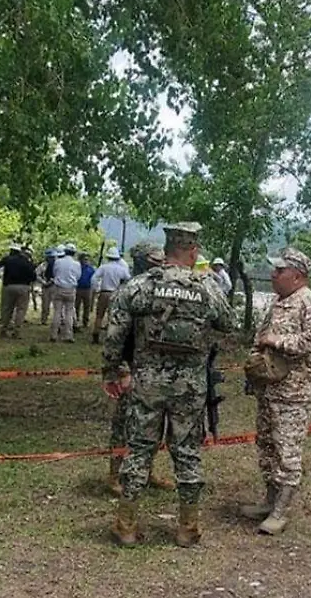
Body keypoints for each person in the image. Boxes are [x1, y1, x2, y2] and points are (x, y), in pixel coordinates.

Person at [102, 222, 238, 548]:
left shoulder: (140, 285)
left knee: (139, 451)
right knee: (188, 452)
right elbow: (229, 323)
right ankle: (187, 528)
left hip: (146, 382)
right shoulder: (207, 288)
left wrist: (115, 371)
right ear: (193, 251)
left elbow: (114, 335)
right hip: (189, 386)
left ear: (167, 250)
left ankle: (126, 526)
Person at [239, 247, 311, 535]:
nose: (273, 274)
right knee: (267, 446)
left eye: (280, 271)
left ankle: (281, 511)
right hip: (270, 388)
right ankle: (269, 500)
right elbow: (261, 338)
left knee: (286, 451)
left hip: (293, 393)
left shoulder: (309, 302)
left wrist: (278, 341)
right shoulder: (279, 301)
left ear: (298, 276)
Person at [103, 240, 175, 496]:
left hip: (156, 371)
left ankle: (148, 471)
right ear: (141, 262)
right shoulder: (127, 292)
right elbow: (115, 338)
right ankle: (114, 474)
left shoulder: (163, 292)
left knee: (153, 425)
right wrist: (119, 371)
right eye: (153, 261)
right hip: (131, 369)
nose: (159, 266)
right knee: (123, 424)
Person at [0, 244, 37, 339]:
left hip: (8, 287)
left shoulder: (7, 259)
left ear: (11, 251)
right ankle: (17, 331)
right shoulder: (26, 261)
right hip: (23, 287)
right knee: (21, 310)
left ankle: (3, 330)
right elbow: (33, 276)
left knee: (6, 309)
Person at [91, 247, 131, 344]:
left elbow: (94, 278)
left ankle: (96, 335)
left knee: (99, 315)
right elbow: (129, 279)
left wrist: (96, 289)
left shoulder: (103, 267)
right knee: (112, 316)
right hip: (115, 294)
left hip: (104, 293)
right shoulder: (121, 269)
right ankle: (110, 336)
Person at [49, 244, 81, 342]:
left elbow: (55, 273)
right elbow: (78, 276)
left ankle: (53, 335)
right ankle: (68, 335)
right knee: (69, 312)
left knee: (57, 312)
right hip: (71, 289)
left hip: (59, 288)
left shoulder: (58, 262)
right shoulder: (77, 264)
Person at [36, 248, 60, 325]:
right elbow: (37, 274)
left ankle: (58, 320)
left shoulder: (58, 265)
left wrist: (53, 280)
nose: (52, 259)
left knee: (57, 305)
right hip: (45, 286)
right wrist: (43, 282)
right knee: (45, 305)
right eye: (50, 257)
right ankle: (44, 320)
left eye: (53, 257)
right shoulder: (42, 265)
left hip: (55, 286)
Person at [76, 252, 96, 330]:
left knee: (87, 306)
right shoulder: (77, 267)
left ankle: (85, 321)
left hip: (88, 289)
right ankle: (76, 320)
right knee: (76, 306)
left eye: (87, 259)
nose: (86, 261)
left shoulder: (91, 269)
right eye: (84, 259)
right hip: (78, 288)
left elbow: (94, 278)